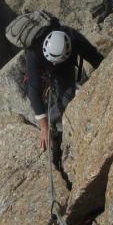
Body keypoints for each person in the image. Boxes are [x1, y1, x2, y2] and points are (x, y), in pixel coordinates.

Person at [23, 24, 103, 161]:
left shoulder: (75, 40)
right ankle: (47, 123)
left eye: (56, 62)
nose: (54, 65)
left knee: (67, 97)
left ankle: (52, 122)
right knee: (37, 92)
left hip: (66, 67)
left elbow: (96, 59)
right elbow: (33, 91)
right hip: (43, 64)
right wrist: (43, 127)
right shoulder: (33, 52)